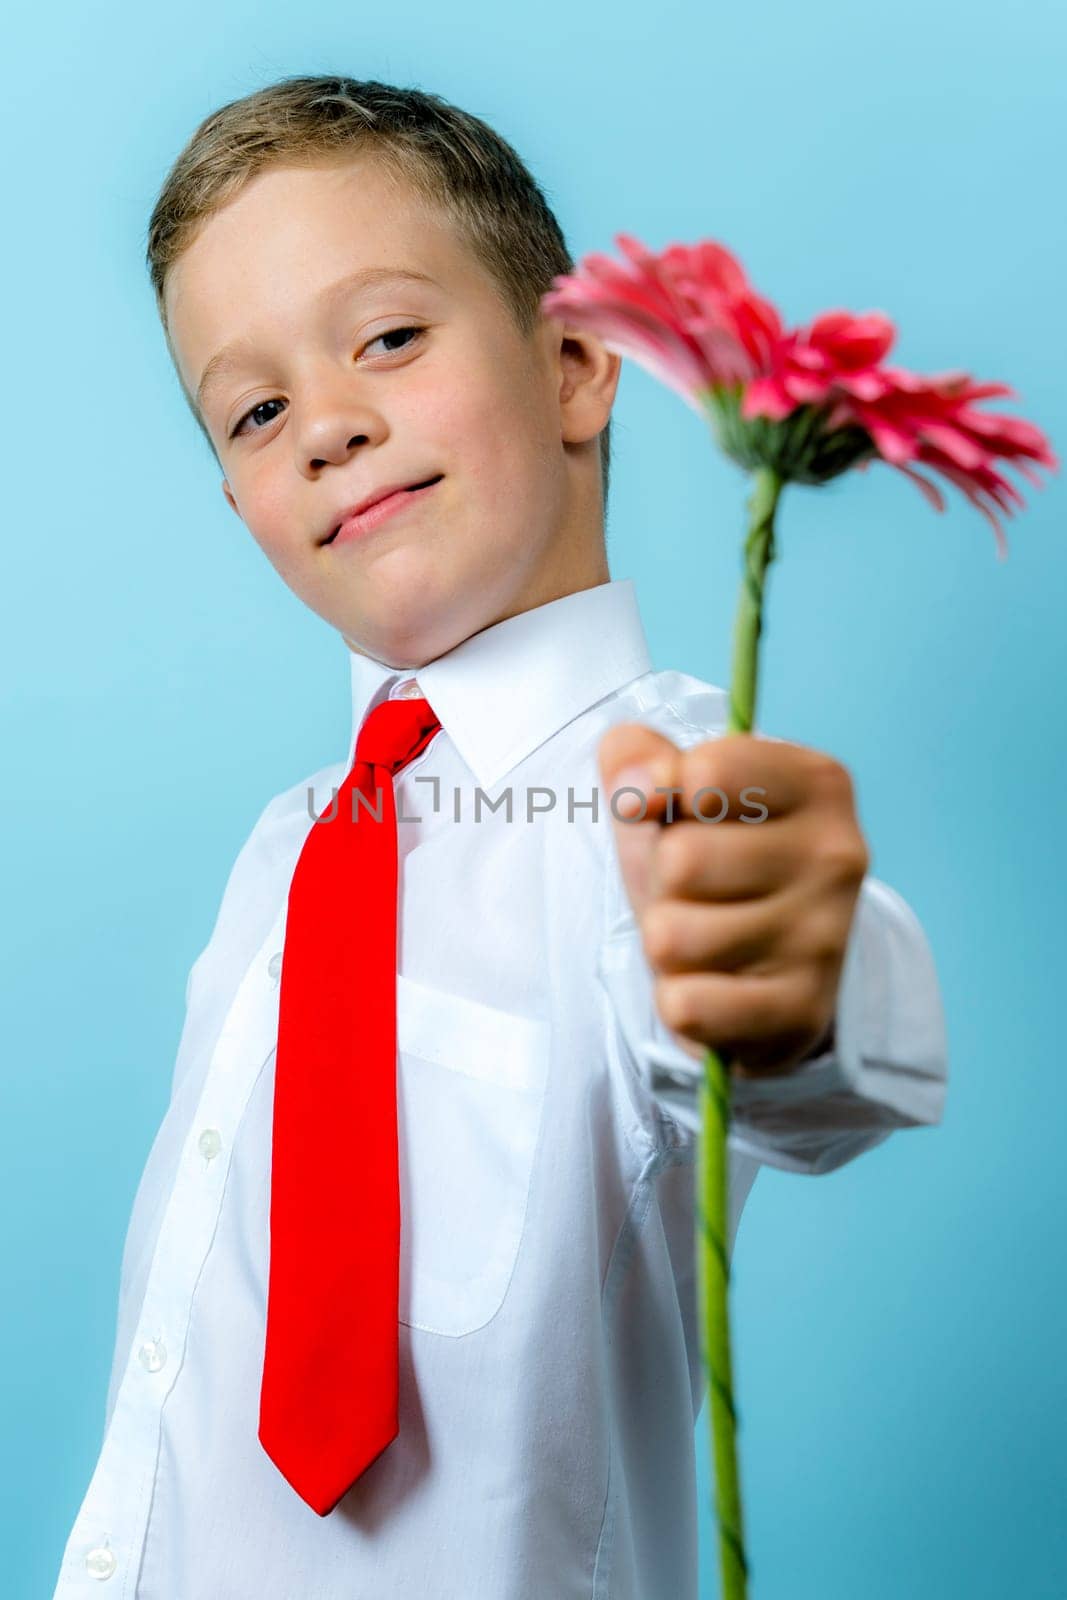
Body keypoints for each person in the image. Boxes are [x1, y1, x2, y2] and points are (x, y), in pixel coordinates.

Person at [50, 75, 947, 1599]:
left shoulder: (663, 794)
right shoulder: (285, 850)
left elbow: (794, 1013)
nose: (329, 424)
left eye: (389, 337)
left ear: (580, 366)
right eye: (257, 410)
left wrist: (807, 976)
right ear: (239, 502)